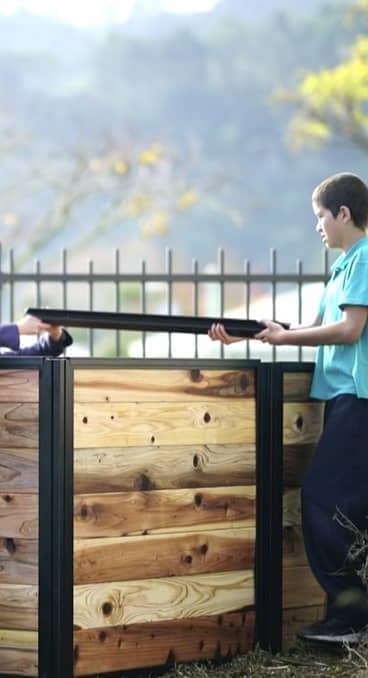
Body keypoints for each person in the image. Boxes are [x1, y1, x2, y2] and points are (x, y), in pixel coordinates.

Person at [210, 172, 368, 645]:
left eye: (321, 216)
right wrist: (254, 333)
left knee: (323, 499)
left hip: (360, 397)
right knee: (344, 503)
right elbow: (311, 326)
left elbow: (348, 330)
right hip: (343, 398)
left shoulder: (364, 259)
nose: (318, 226)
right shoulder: (343, 267)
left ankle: (352, 615)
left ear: (343, 212)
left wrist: (283, 336)